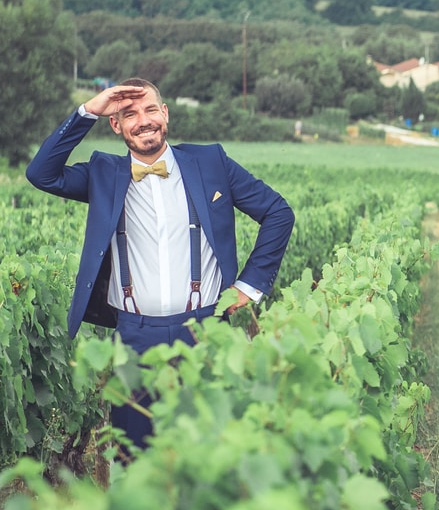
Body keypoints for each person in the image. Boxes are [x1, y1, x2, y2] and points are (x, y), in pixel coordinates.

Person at [26, 76, 295, 449]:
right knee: (136, 457)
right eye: (130, 114)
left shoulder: (210, 162)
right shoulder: (103, 173)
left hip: (206, 331)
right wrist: (89, 110)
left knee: (209, 454)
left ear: (165, 114)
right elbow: (41, 174)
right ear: (116, 125)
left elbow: (277, 212)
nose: (144, 120)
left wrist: (249, 286)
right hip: (135, 335)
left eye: (151, 109)